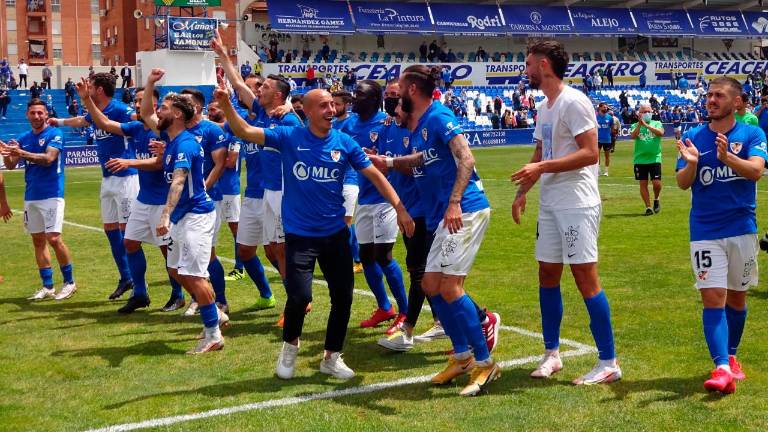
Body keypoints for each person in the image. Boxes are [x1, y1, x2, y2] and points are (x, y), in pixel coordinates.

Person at [217, 85, 415, 380]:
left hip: (334, 234)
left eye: (331, 105)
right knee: (299, 296)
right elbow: (245, 131)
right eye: (322, 106)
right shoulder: (289, 137)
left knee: (343, 297)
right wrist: (226, 104)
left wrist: (399, 207)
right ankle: (290, 347)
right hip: (299, 235)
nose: (330, 110)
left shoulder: (344, 142)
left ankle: (332, 357)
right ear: (306, 112)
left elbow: (374, 174)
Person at [368, 64, 501, 397]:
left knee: (451, 287)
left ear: (413, 89)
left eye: (399, 89)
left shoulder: (439, 117)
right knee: (429, 284)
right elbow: (419, 160)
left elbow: (466, 158)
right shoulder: (419, 126)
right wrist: (387, 162)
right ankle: (462, 357)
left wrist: (455, 202)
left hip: (465, 210)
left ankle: (486, 364)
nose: (395, 95)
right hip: (444, 214)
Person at [511, 40, 621, 385]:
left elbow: (590, 153)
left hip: (577, 202)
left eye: (528, 64)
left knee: (586, 278)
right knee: (547, 275)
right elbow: (541, 152)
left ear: (544, 65)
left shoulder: (575, 102)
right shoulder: (545, 107)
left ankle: (608, 361)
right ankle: (551, 354)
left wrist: (541, 166)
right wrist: (522, 191)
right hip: (551, 203)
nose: (525, 71)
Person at [675, 76, 766, 394]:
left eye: (718, 95)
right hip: (705, 230)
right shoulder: (692, 136)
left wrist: (727, 158)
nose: (711, 100)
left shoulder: (752, 133)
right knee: (713, 298)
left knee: (737, 300)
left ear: (737, 102)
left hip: (742, 229)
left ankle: (732, 355)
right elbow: (683, 183)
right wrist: (691, 164)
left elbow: (756, 171)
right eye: (709, 95)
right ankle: (721, 367)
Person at [77, 81, 186, 313]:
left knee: (167, 249)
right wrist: (87, 100)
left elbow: (159, 164)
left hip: (160, 199)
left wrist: (129, 162)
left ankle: (178, 294)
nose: (137, 105)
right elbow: (105, 122)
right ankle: (140, 293)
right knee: (129, 242)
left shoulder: (165, 133)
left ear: (157, 107)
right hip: (143, 199)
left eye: (141, 101)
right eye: (135, 101)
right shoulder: (136, 128)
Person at [152, 83, 228, 354]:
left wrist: (165, 214)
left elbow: (180, 180)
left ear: (178, 115)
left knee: (194, 276)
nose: (158, 111)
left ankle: (213, 334)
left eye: (164, 108)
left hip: (196, 215)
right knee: (175, 270)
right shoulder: (173, 142)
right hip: (183, 216)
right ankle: (215, 313)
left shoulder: (184, 144)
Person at [49, 72, 137, 300]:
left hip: (126, 176)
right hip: (107, 179)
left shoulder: (121, 109)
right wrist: (57, 121)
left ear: (98, 90)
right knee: (110, 231)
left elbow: (139, 124)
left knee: (130, 236)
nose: (85, 88)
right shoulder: (95, 112)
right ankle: (126, 277)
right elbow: (81, 120)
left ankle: (141, 284)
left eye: (90, 85)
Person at [376, 81, 445, 352]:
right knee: (424, 272)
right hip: (408, 206)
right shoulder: (392, 129)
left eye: (397, 97)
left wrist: (391, 163)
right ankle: (442, 322)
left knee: (423, 272)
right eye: (390, 96)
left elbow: (419, 166)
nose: (393, 103)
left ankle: (408, 329)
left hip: (421, 209)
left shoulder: (427, 126)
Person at [345, 80, 409, 331]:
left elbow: (395, 156)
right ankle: (385, 307)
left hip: (386, 199)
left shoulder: (387, 123)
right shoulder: (349, 124)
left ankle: (404, 312)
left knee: (384, 255)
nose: (354, 97)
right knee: (367, 256)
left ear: (373, 99)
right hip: (365, 198)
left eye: (359, 94)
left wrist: (380, 156)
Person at [0, 99, 76, 301]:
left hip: (52, 193)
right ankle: (47, 286)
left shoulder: (54, 134)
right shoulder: (23, 137)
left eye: (40, 113)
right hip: (31, 195)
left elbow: (48, 159)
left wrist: (21, 152)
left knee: (54, 238)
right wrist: (7, 153)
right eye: (33, 113)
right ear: (27, 115)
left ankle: (69, 283)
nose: (36, 116)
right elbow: (10, 166)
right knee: (38, 240)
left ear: (46, 114)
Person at [332, 90, 363, 273]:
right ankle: (354, 259)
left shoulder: (353, 122)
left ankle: (357, 260)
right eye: (332, 103)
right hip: (334, 181)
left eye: (337, 104)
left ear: (346, 105)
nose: (333, 107)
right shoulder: (333, 124)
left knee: (345, 223)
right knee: (339, 223)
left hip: (350, 180)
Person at [631, 102, 664, 216]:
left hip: (655, 158)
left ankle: (656, 199)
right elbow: (633, 136)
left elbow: (660, 133)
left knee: (656, 184)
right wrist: (640, 125)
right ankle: (648, 207)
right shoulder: (635, 125)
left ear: (652, 112)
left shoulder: (657, 123)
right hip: (640, 160)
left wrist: (647, 125)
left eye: (648, 111)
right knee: (643, 183)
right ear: (639, 114)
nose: (646, 113)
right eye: (644, 112)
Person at [595, 102, 614, 176]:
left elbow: (612, 128)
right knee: (597, 155)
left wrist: (613, 134)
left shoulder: (610, 118)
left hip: (607, 140)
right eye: (604, 107)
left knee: (607, 156)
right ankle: (598, 170)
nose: (605, 108)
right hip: (597, 140)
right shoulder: (595, 117)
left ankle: (606, 171)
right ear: (600, 108)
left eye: (606, 107)